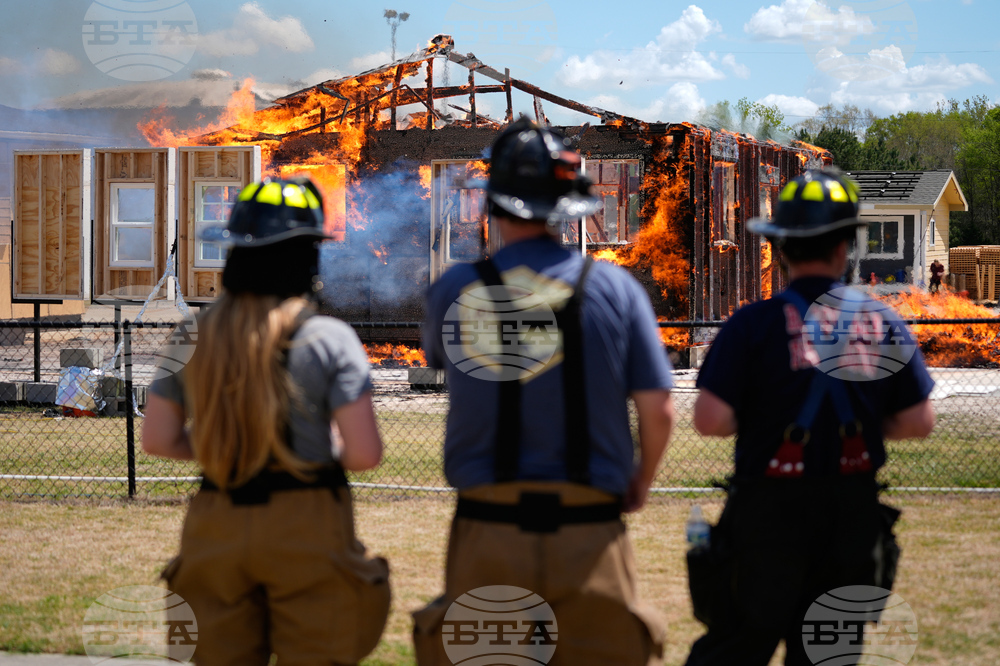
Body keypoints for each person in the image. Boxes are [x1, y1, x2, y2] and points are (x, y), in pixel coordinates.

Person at [413, 118, 676, 665]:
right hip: (590, 531)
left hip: (488, 530)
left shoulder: (454, 290)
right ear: (567, 207)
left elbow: (442, 362)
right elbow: (659, 410)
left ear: (494, 205)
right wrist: (640, 483)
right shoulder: (615, 288)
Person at [683, 170, 936, 666]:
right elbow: (918, 422)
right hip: (851, 519)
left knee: (735, 645)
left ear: (779, 249)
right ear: (846, 245)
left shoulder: (751, 325)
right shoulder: (882, 322)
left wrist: (765, 416)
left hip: (766, 516)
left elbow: (710, 420)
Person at [142, 178, 390, 666]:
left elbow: (158, 438)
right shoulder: (329, 338)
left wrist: (231, 445)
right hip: (308, 518)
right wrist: (303, 449)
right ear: (308, 256)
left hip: (218, 516)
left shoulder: (190, 333)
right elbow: (365, 454)